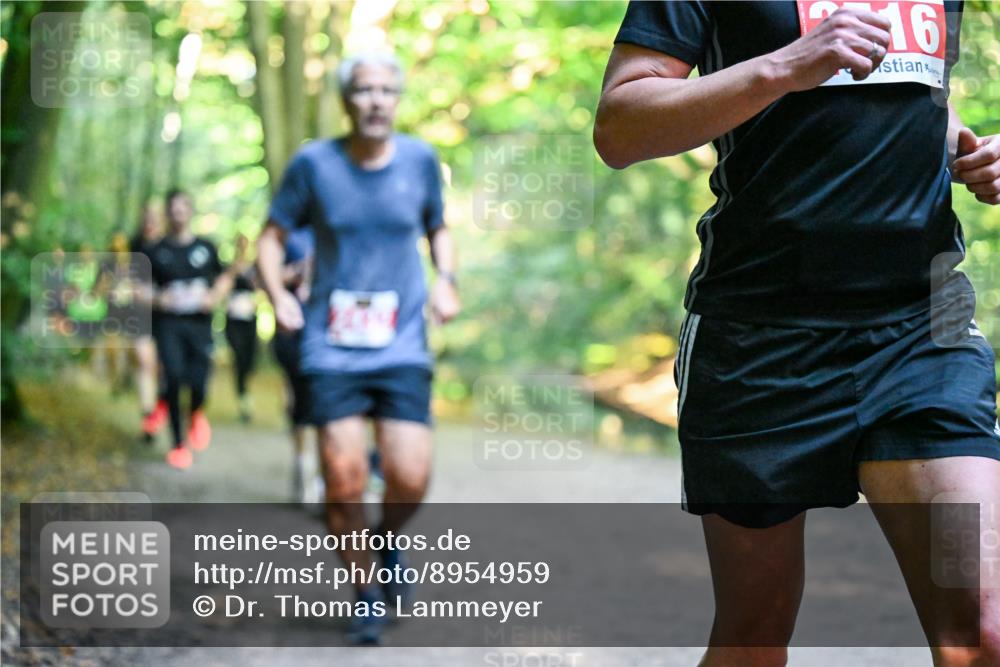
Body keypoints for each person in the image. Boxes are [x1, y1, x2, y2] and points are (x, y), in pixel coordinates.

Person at [596, 2, 1000, 666]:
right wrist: (785, 67)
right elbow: (620, 127)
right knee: (755, 636)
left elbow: (919, 94)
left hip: (924, 330)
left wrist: (965, 147)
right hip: (759, 337)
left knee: (981, 634)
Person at [257, 51, 460, 645]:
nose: (376, 100)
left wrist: (446, 281)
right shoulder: (314, 166)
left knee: (409, 478)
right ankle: (366, 591)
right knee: (343, 481)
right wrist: (279, 296)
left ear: (398, 99)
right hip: (331, 346)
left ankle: (387, 538)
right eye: (364, 90)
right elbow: (271, 241)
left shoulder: (421, 161)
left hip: (401, 344)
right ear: (346, 101)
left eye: (386, 90)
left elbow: (438, 229)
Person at [149, 189, 238, 470]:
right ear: (167, 213)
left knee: (199, 381)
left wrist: (214, 296)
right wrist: (156, 297)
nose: (177, 214)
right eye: (172, 209)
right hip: (169, 324)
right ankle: (177, 445)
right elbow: (139, 285)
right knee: (173, 378)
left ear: (190, 211)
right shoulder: (155, 250)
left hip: (199, 325)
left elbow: (225, 278)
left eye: (182, 208)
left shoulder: (206, 247)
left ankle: (197, 411)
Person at [269, 225, 321, 504]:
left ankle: (326, 480)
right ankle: (305, 471)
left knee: (328, 407)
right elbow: (263, 277)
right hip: (295, 334)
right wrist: (300, 270)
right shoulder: (287, 233)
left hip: (331, 333)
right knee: (301, 407)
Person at [132, 204, 169, 441]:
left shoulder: (170, 246)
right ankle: (148, 413)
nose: (150, 223)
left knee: (162, 368)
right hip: (140, 315)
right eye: (147, 218)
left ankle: (158, 408)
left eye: (154, 218)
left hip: (166, 319)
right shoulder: (134, 247)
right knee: (145, 363)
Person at [223, 235, 258, 423]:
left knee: (249, 360)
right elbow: (222, 288)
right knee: (238, 357)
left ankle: (245, 390)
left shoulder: (254, 268)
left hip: (250, 319)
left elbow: (260, 288)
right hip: (233, 321)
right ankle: (243, 396)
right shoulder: (229, 268)